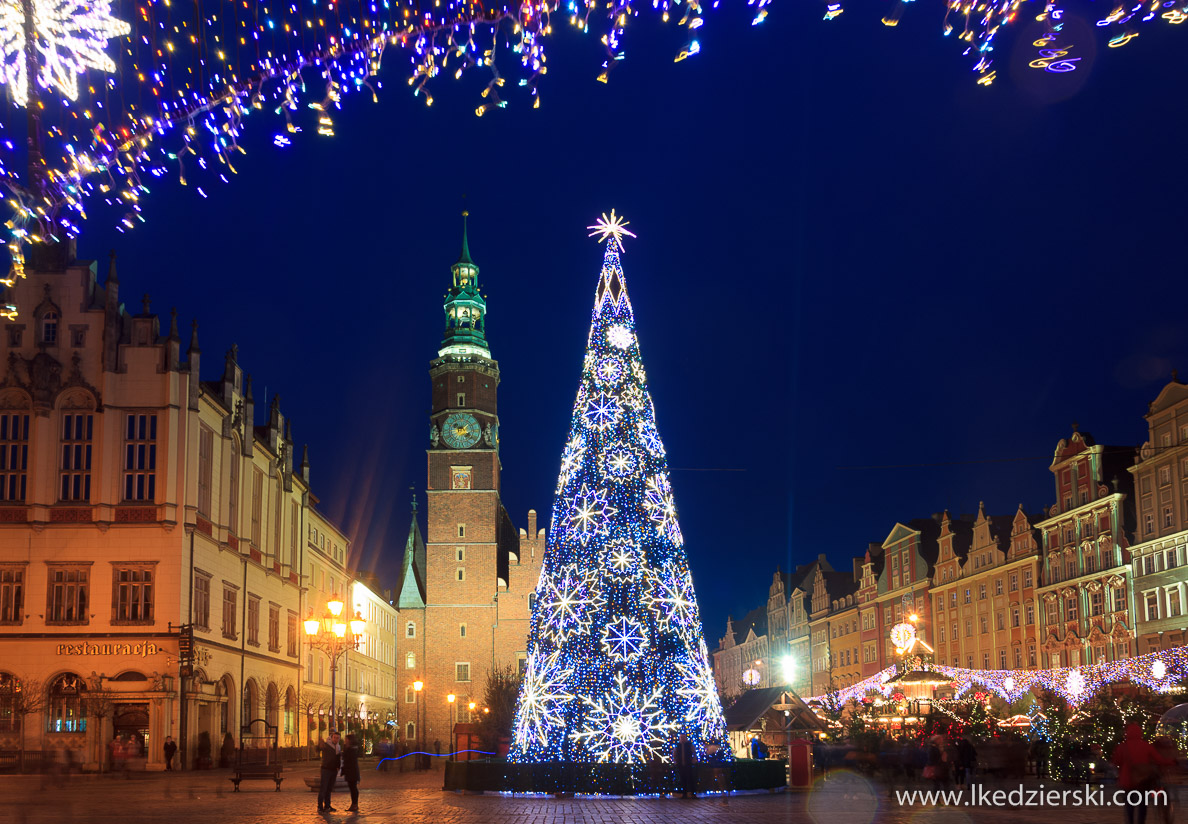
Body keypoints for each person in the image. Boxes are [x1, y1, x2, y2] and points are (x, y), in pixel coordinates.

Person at [1113, 723, 1174, 824]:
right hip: (1142, 780)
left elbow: (1116, 761)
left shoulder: (1122, 747)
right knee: (1142, 805)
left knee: (1129, 805)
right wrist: (1172, 762)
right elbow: (1159, 760)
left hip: (1128, 780)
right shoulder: (1146, 746)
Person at [318, 730, 342, 813]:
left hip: (333, 770)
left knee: (329, 789)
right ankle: (320, 806)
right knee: (323, 788)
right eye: (334, 737)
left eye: (337, 738)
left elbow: (338, 758)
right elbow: (319, 748)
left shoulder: (338, 747)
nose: (336, 739)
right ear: (331, 738)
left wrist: (338, 767)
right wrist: (319, 744)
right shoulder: (326, 745)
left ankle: (327, 805)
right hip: (326, 769)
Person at [342, 733, 361, 813]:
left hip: (351, 772)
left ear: (349, 740)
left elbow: (348, 760)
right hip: (352, 772)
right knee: (353, 788)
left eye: (346, 739)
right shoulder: (352, 749)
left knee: (353, 788)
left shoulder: (351, 750)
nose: (345, 741)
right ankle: (354, 804)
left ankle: (354, 804)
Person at [674, 732, 696, 799]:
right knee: (683, 779)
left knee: (690, 778)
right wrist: (675, 761)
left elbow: (694, 751)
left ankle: (692, 793)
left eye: (683, 737)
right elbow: (674, 753)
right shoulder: (678, 745)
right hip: (681, 764)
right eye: (681, 737)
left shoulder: (689, 744)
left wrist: (694, 759)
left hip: (688, 763)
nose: (682, 738)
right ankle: (684, 793)